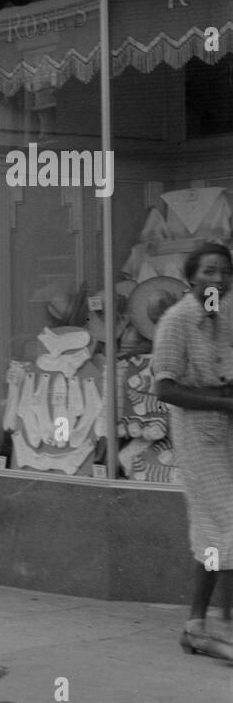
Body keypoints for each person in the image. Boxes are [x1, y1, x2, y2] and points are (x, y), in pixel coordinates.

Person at [150, 242, 233, 661]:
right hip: (200, 438)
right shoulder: (176, 320)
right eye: (209, 272)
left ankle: (199, 624)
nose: (218, 280)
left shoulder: (229, 315)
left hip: (230, 433)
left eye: (225, 272)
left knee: (215, 531)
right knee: (228, 521)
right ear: (191, 278)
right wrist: (221, 401)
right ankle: (214, 621)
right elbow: (164, 387)